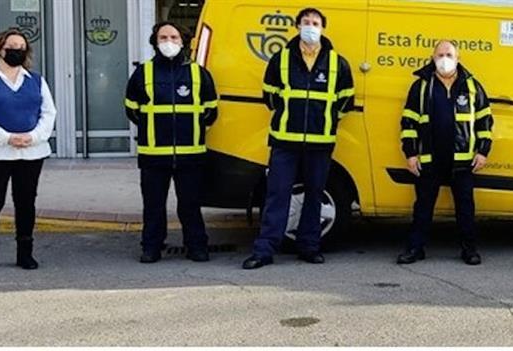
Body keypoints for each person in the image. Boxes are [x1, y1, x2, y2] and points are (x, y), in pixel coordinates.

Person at [243, 7, 355, 270]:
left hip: (320, 142)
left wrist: (325, 121)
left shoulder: (338, 63)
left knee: (314, 196)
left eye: (315, 22)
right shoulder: (280, 58)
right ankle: (265, 250)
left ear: (323, 28)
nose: (311, 26)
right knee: (276, 196)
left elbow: (346, 100)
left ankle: (309, 246)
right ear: (297, 26)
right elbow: (269, 95)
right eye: (306, 22)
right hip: (284, 142)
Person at [124, 22, 219, 264]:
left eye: (174, 37)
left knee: (190, 205)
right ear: (155, 41)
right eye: (163, 37)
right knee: (153, 206)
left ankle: (197, 246)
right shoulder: (143, 72)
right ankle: (151, 248)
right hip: (153, 154)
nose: (169, 41)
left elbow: (211, 111)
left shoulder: (198, 73)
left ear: (182, 40)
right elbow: (132, 109)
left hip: (191, 154)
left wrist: (192, 131)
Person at [0, 27, 56, 274]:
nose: (16, 51)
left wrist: (33, 136)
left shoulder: (36, 80)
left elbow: (49, 113)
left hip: (31, 152)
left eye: (21, 47)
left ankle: (25, 253)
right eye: (11, 47)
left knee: (26, 202)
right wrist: (6, 138)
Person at [396, 40, 493, 266]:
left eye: (449, 54)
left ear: (457, 58)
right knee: (422, 208)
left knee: (466, 208)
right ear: (433, 57)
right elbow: (408, 122)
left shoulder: (471, 86)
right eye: (440, 55)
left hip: (463, 160)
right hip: (430, 159)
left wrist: (483, 152)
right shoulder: (420, 86)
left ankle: (469, 250)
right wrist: (410, 154)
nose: (444, 59)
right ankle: (415, 249)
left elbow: (485, 121)